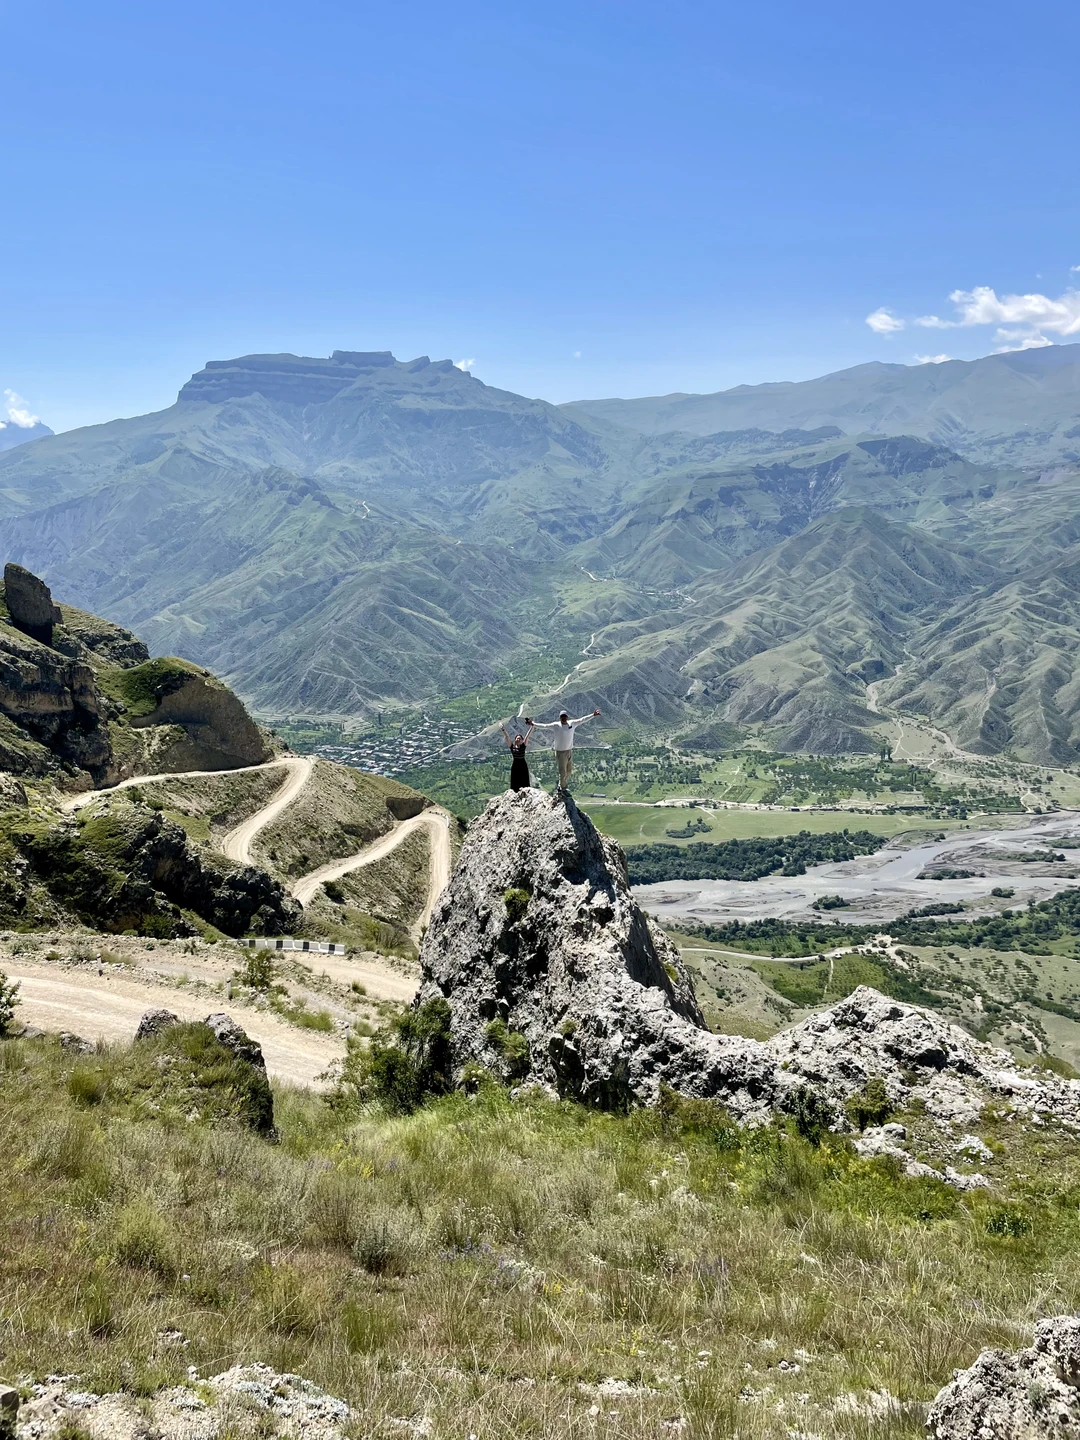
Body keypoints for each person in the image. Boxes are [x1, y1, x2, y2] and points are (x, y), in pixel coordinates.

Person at [525, 708, 601, 790]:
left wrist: (593, 715)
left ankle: (561, 783)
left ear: (567, 717)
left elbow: (582, 719)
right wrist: (533, 723)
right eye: (562, 717)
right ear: (560, 717)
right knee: (563, 772)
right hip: (560, 753)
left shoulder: (572, 723)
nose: (563, 718)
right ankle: (563, 788)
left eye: (564, 716)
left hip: (569, 751)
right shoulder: (556, 725)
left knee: (569, 771)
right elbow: (544, 726)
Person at [500, 719, 535, 792]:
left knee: (524, 779)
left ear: (522, 740)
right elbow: (507, 738)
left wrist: (531, 727)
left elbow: (527, 736)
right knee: (515, 779)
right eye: (517, 738)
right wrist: (503, 729)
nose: (518, 740)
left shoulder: (523, 746)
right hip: (515, 764)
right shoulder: (512, 746)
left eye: (519, 739)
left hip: (522, 764)